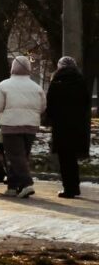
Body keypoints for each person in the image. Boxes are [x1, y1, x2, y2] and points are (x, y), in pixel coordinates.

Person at [0, 55, 46, 198]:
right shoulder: (36, 87)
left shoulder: (4, 85)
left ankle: (26, 184)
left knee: (15, 156)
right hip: (31, 126)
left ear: (13, 68)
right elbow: (42, 107)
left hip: (11, 125)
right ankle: (12, 187)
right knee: (22, 157)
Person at [46, 56, 90, 198]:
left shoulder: (56, 82)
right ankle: (74, 187)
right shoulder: (81, 81)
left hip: (61, 127)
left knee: (65, 159)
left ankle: (69, 189)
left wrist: (49, 120)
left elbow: (50, 105)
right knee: (72, 159)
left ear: (60, 67)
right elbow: (86, 103)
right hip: (78, 127)